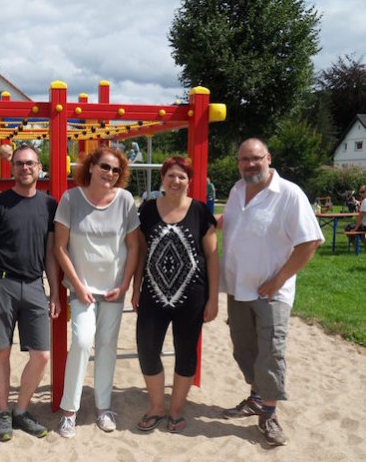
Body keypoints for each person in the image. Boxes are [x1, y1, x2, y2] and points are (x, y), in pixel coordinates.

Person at [220, 138, 324, 447]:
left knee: (270, 351)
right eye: (244, 160)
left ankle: (269, 414)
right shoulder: (238, 190)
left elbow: (310, 242)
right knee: (244, 347)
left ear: (268, 158)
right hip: (238, 287)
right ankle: (256, 398)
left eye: (255, 158)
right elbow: (233, 222)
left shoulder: (289, 194)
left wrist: (279, 280)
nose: (250, 164)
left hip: (270, 292)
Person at [0, 144, 61, 442]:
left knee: (42, 355)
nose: (26, 168)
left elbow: (50, 252)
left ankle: (21, 411)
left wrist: (54, 292)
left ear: (39, 168)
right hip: (2, 284)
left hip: (35, 284)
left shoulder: (49, 205)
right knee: (1, 350)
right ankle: (2, 411)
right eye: (20, 163)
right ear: (12, 168)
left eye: (31, 163)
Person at [55, 146, 139, 438]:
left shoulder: (125, 200)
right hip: (82, 288)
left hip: (114, 288)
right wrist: (77, 284)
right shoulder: (71, 198)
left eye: (116, 170)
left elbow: (134, 246)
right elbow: (60, 248)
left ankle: (104, 407)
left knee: (107, 346)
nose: (110, 174)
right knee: (80, 341)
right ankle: (69, 410)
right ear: (91, 166)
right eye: (105, 167)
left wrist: (125, 283)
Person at [132, 156, 219, 434]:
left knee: (185, 352)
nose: (176, 181)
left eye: (182, 176)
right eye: (171, 175)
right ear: (163, 179)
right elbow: (141, 251)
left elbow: (212, 257)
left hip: (191, 296)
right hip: (153, 294)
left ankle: (176, 409)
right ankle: (157, 406)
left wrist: (214, 298)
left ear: (189, 181)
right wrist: (136, 288)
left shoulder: (200, 211)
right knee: (147, 348)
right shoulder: (146, 210)